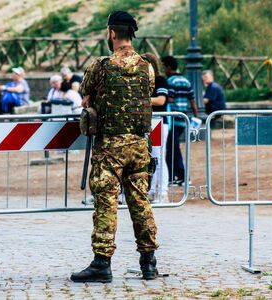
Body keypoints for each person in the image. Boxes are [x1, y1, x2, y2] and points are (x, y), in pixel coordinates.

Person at [71, 11, 159, 283]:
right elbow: (148, 94)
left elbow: (85, 100)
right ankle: (149, 262)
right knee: (141, 202)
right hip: (140, 145)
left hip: (110, 146)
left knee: (106, 203)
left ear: (111, 33)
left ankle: (101, 263)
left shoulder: (100, 66)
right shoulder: (147, 66)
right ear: (131, 34)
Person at [162, 56, 198, 185]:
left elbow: (169, 99)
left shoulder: (171, 81)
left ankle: (178, 176)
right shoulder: (186, 81)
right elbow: (193, 101)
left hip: (173, 120)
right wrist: (196, 118)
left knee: (172, 149)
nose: (164, 70)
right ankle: (177, 176)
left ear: (169, 67)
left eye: (164, 67)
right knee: (174, 147)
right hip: (184, 120)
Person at [141, 53, 169, 203]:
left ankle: (162, 192)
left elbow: (161, 100)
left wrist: (140, 100)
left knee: (159, 158)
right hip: (147, 122)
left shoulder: (160, 80)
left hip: (159, 122)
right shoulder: (142, 81)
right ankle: (151, 191)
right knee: (149, 159)